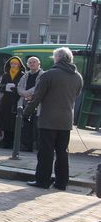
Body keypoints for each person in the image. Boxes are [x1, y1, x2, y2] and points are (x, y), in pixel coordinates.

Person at [25, 47, 83, 190]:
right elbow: (75, 94)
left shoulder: (49, 75)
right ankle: (61, 182)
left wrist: (26, 112)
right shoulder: (77, 77)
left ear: (57, 58)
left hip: (48, 119)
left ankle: (43, 181)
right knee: (62, 152)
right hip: (66, 120)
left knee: (46, 152)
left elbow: (37, 97)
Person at [0, 56, 26, 148]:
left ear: (19, 65)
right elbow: (0, 87)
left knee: (14, 123)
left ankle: (14, 142)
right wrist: (5, 87)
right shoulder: (6, 75)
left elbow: (24, 87)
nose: (14, 65)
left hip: (16, 100)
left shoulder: (22, 75)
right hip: (6, 101)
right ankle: (6, 141)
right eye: (12, 64)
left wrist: (16, 89)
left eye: (16, 64)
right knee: (5, 122)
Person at [17, 56, 44, 152]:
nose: (32, 64)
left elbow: (39, 87)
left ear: (39, 64)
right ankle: (25, 145)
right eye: (30, 63)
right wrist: (24, 94)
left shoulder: (43, 75)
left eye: (34, 62)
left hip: (37, 103)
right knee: (25, 126)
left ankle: (35, 146)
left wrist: (28, 94)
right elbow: (19, 87)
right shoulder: (25, 75)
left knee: (36, 126)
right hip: (25, 102)